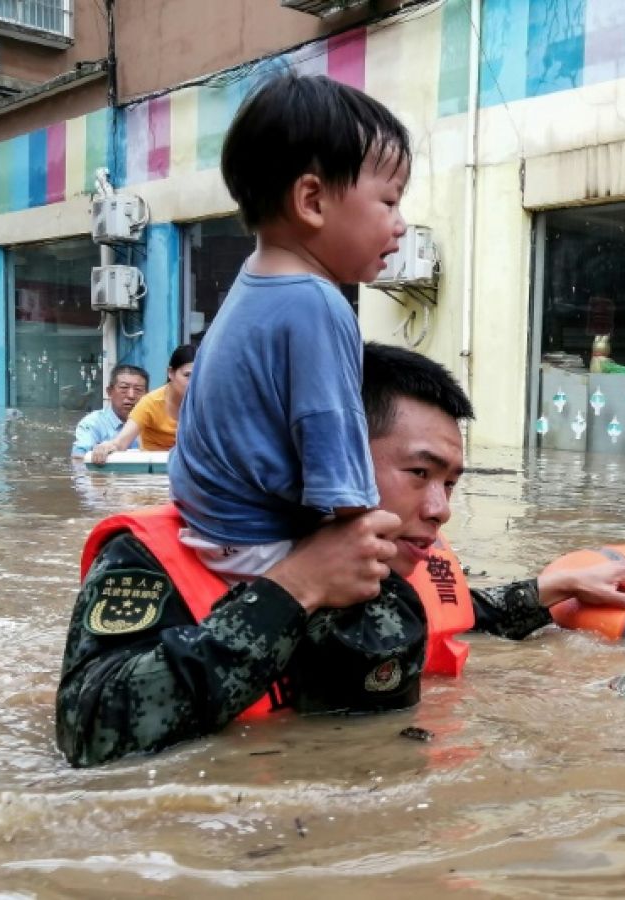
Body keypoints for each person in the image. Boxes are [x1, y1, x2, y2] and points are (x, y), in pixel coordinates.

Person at [56, 343, 625, 767]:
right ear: (327, 454)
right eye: (420, 473)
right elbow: (88, 731)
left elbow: (462, 613)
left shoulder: (400, 554)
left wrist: (553, 588)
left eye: (452, 482)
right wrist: (293, 590)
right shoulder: (156, 556)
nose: (441, 508)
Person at [167, 72, 410, 586]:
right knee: (397, 594)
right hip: (261, 545)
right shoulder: (317, 303)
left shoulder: (253, 285)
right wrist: (379, 537)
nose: (401, 223)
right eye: (389, 201)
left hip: (212, 529)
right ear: (313, 202)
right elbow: (338, 463)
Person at [90, 345, 195, 461]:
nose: (194, 381)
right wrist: (108, 446)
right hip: (154, 470)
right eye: (187, 375)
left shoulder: (209, 404)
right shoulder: (150, 403)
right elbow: (121, 442)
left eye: (199, 375)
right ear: (171, 373)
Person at [71, 364, 149, 458]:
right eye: (124, 388)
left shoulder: (155, 421)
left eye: (138, 390)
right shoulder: (92, 423)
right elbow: (78, 457)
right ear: (109, 392)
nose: (131, 395)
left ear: (147, 395)